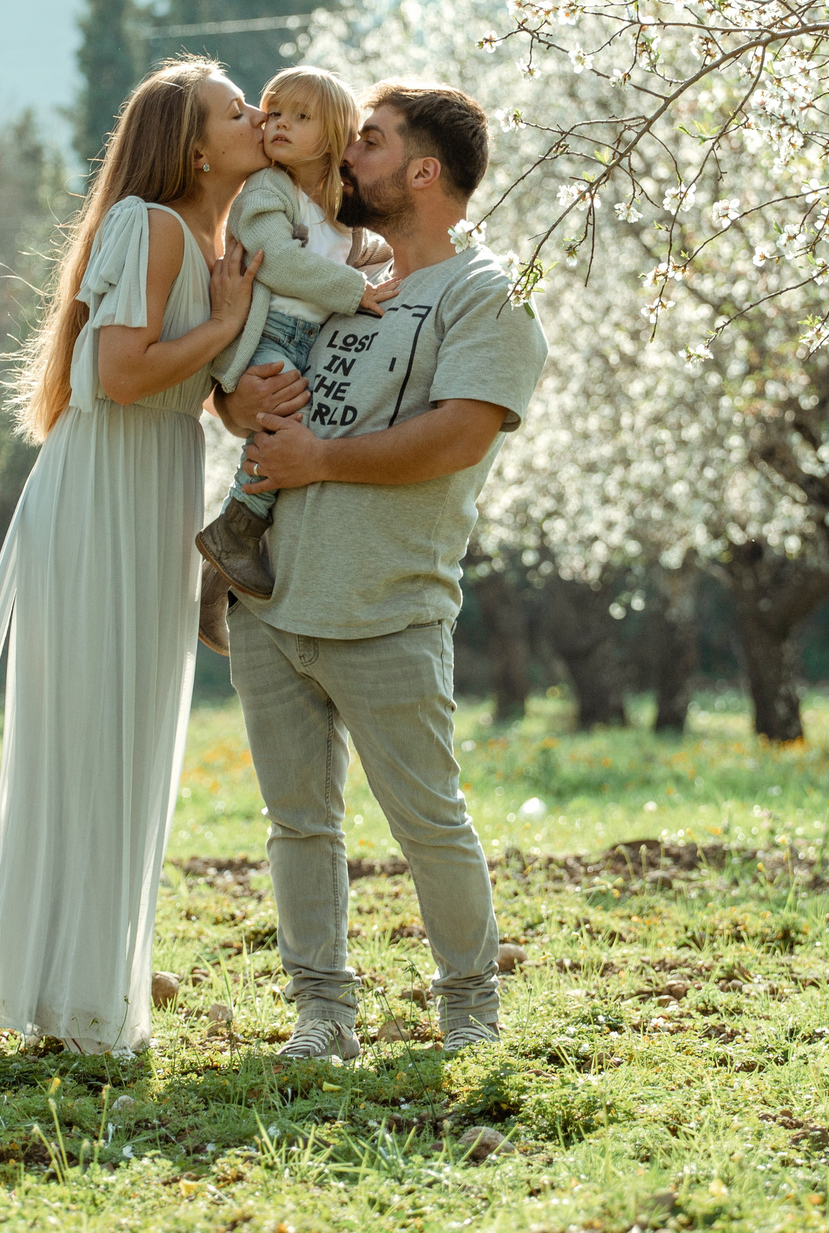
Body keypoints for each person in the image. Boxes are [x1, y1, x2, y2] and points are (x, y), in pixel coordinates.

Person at [0, 56, 267, 1055]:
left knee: (126, 739)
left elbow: (201, 391)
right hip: (102, 496)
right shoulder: (152, 224)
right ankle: (65, 992)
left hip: (155, 487)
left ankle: (85, 986)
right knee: (87, 736)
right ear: (195, 146)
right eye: (236, 110)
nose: (258, 119)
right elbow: (121, 376)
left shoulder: (214, 237)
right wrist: (220, 323)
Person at [218, 80, 550, 1063]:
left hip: (388, 604)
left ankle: (467, 1011)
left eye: (366, 142)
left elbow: (457, 436)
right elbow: (257, 396)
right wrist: (242, 406)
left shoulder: (489, 295)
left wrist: (320, 461)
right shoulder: (341, 272)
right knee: (298, 827)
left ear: (423, 171)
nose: (343, 159)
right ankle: (322, 1014)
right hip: (270, 599)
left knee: (428, 824)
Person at [196, 66, 397, 612]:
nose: (278, 125)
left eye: (300, 117)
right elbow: (276, 261)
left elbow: (363, 252)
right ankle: (235, 529)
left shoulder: (336, 203)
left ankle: (222, 584)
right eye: (275, 112)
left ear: (333, 134)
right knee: (287, 420)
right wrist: (354, 290)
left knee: (305, 422)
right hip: (272, 334)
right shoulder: (267, 190)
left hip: (312, 337)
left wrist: (405, 257)